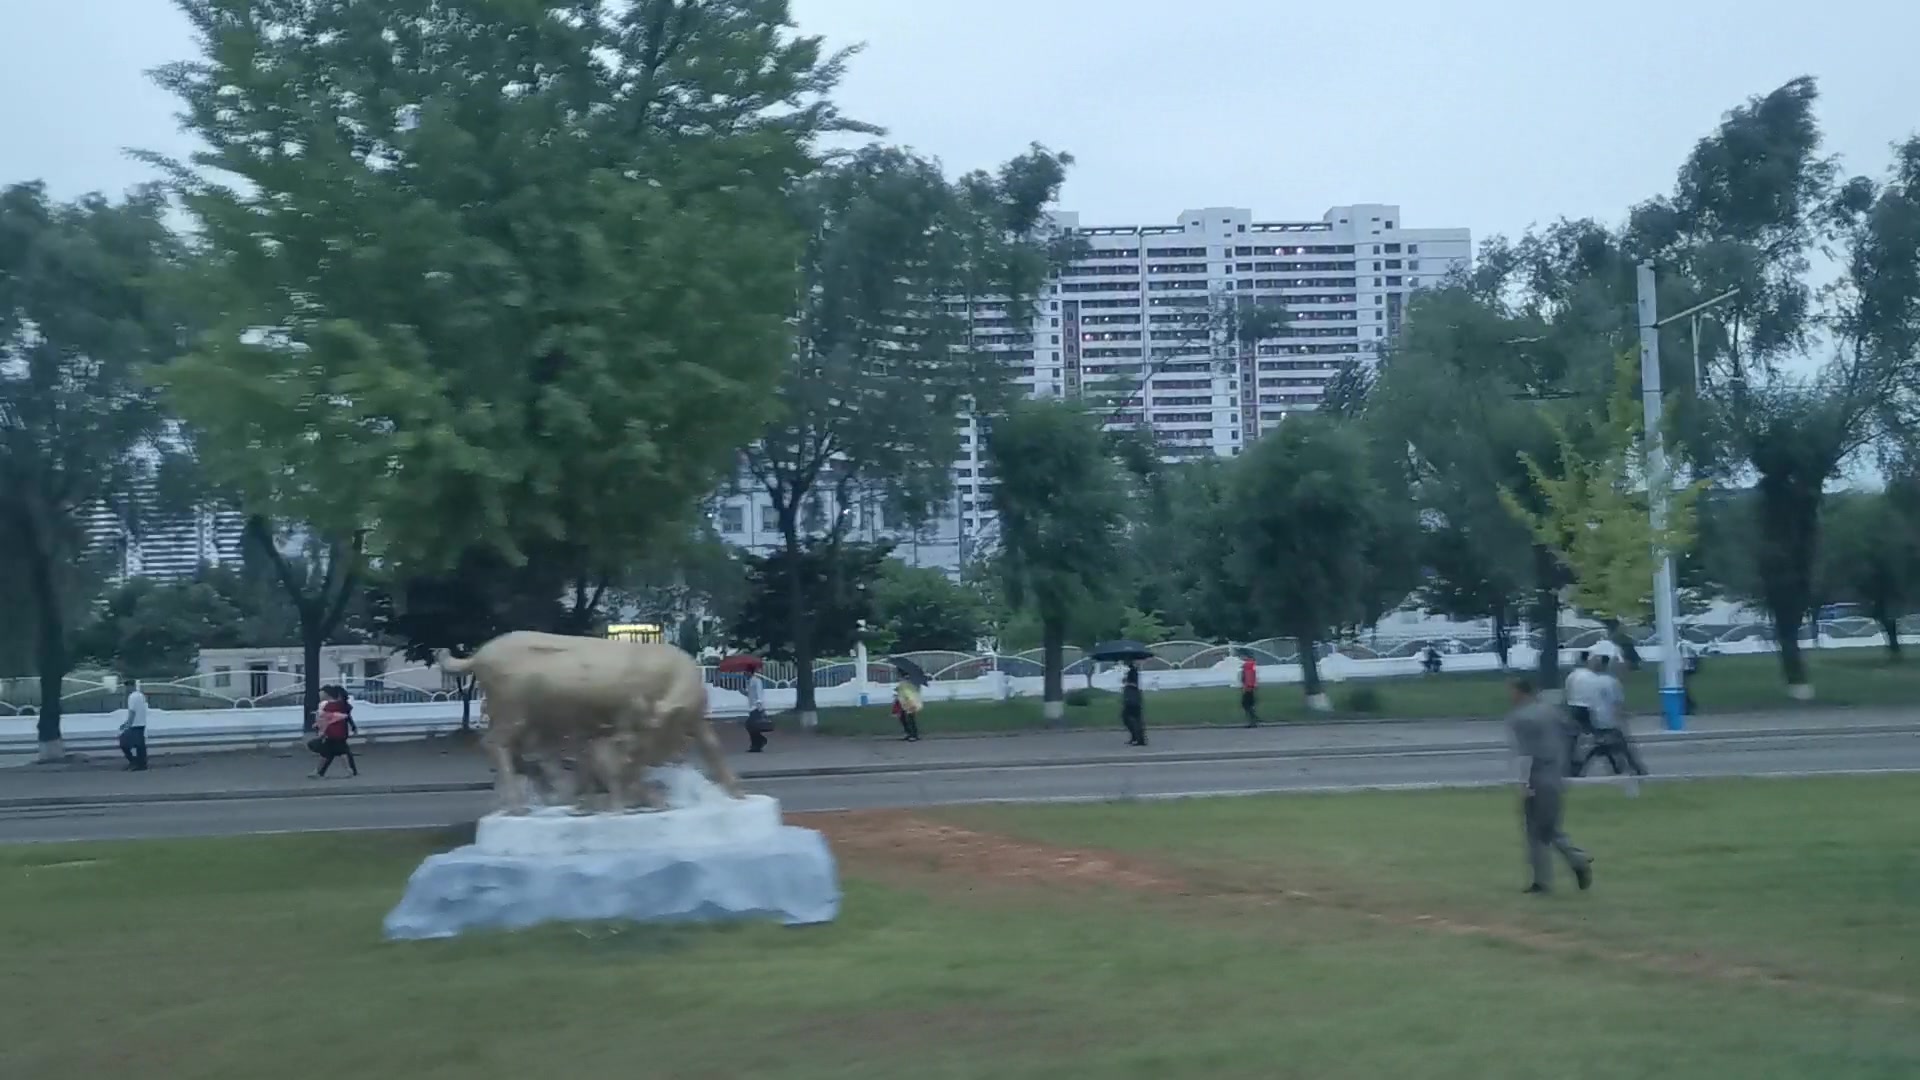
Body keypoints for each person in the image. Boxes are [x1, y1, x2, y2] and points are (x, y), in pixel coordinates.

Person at [1506, 677, 1594, 895]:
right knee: (1545, 827)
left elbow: (1524, 753)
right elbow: (1576, 733)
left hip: (1537, 775)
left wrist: (1523, 782)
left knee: (1540, 830)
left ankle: (1572, 861)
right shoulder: (1551, 711)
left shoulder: (1520, 718)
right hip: (1556, 773)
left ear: (1520, 692)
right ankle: (1546, 878)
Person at [1577, 655, 1648, 781]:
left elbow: (1588, 702)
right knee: (1622, 747)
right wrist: (1623, 718)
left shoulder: (1591, 682)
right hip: (1610, 721)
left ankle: (1584, 768)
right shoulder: (1612, 682)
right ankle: (1637, 770)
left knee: (1603, 747)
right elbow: (1616, 704)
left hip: (1596, 720)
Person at [1562, 650, 1601, 776]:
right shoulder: (1591, 677)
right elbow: (1595, 695)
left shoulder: (1572, 675)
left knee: (1573, 740)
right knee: (1597, 737)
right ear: (1588, 661)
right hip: (1586, 709)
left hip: (1573, 707)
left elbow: (1567, 692)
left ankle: (1570, 765)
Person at [310, 684, 359, 778]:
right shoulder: (342, 705)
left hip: (333, 733)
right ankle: (318, 772)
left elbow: (325, 719)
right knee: (332, 753)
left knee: (337, 753)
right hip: (339, 732)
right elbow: (345, 717)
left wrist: (320, 730)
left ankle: (348, 771)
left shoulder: (328, 706)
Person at [118, 680, 149, 771]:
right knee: (140, 746)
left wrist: (127, 724)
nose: (125, 689)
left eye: (126, 686)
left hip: (135, 724)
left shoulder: (132, 697)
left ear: (130, 686)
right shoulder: (141, 695)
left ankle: (134, 762)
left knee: (123, 743)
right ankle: (141, 764)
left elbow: (132, 712)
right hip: (141, 723)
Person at [1121, 661, 1147, 746]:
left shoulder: (1133, 671)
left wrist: (1126, 682)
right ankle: (1136, 737)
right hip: (1134, 697)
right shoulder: (1132, 671)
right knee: (1134, 718)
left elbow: (1133, 684)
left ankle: (1138, 738)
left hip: (1132, 698)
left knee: (1129, 718)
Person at [743, 672, 771, 753]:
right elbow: (751, 695)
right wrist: (744, 692)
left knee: (751, 726)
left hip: (756, 707)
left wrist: (760, 708)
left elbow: (759, 694)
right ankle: (757, 744)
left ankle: (758, 742)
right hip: (752, 707)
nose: (744, 674)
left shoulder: (757, 681)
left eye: (746, 672)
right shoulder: (749, 681)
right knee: (753, 727)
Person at [1239, 654, 1260, 727]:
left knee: (1246, 704)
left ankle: (1252, 720)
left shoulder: (1247, 666)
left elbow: (1247, 678)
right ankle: (1253, 720)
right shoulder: (1251, 666)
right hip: (1250, 687)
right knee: (1249, 704)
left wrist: (1247, 687)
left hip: (1248, 688)